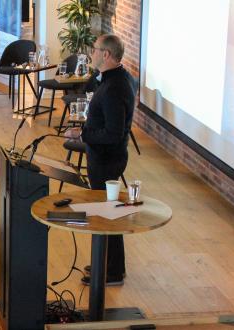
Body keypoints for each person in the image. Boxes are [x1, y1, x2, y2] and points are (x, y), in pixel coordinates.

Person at [64, 34, 135, 286]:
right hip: (104, 157)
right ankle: (110, 264)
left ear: (106, 54)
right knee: (106, 212)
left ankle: (113, 272)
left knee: (108, 215)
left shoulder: (116, 88)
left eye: (94, 50)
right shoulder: (112, 78)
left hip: (107, 159)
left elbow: (114, 134)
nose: (90, 53)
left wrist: (82, 133)